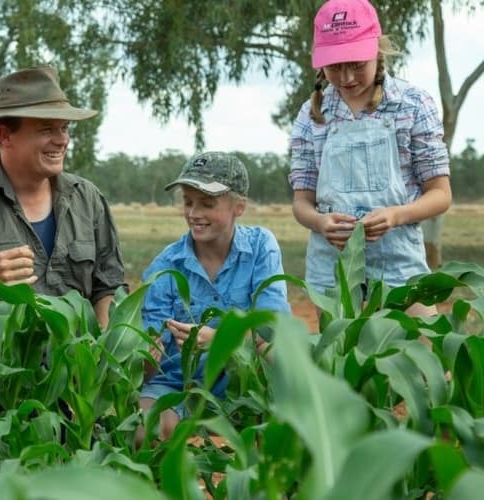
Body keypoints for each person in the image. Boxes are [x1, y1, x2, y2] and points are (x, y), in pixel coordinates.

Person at [0, 65, 127, 422]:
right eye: (46, 129)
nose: (61, 140)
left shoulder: (87, 199)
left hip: (72, 363)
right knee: (4, 383)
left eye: (64, 128)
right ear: (4, 135)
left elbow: (109, 287)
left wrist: (103, 345)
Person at [289, 0, 452, 316]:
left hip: (398, 260)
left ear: (377, 51)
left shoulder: (413, 104)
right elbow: (301, 202)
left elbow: (440, 195)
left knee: (423, 357)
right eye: (335, 67)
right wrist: (321, 222)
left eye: (357, 64)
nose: (347, 77)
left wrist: (395, 215)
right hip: (333, 264)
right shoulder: (312, 116)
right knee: (337, 357)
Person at [137, 152, 291, 443]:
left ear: (239, 207)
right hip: (179, 383)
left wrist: (223, 340)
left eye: (207, 204)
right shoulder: (165, 267)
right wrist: (144, 352)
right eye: (188, 202)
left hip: (245, 377)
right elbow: (150, 359)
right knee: (147, 428)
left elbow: (273, 330)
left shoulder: (260, 248)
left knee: (278, 355)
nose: (194, 213)